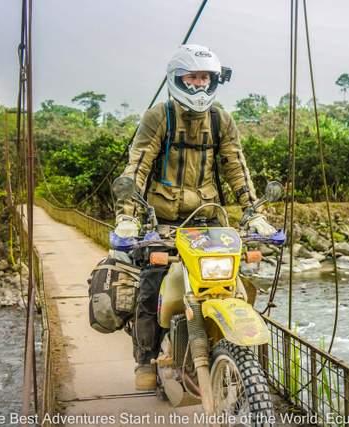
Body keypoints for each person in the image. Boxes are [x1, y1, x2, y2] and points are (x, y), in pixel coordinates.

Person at [114, 44, 276, 390]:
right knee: (152, 282)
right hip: (164, 223)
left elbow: (237, 168)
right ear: (178, 79)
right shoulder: (159, 116)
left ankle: (229, 347)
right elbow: (138, 165)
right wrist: (127, 218)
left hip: (209, 220)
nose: (200, 84)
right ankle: (145, 358)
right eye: (193, 77)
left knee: (234, 283)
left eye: (205, 77)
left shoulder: (220, 120)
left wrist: (256, 214)